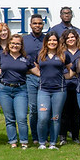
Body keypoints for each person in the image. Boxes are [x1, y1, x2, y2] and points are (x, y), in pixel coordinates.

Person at [36, 32, 72, 149]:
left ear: (58, 42)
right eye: (50, 40)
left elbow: (72, 70)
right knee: (43, 118)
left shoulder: (64, 55)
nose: (52, 42)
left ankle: (52, 143)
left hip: (59, 91)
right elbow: (36, 69)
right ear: (46, 42)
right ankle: (42, 143)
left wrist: (64, 77)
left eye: (54, 40)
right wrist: (42, 76)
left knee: (55, 118)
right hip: (44, 90)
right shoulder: (40, 54)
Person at [23, 14, 46, 144]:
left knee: (46, 108)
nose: (37, 25)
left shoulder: (47, 39)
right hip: (30, 78)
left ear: (43, 25)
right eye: (35, 23)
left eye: (40, 23)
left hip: (46, 78)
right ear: (30, 25)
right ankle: (36, 137)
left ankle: (45, 133)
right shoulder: (24, 40)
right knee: (33, 109)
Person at [59, 29, 80, 145]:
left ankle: (75, 136)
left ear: (77, 38)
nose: (71, 39)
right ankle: (62, 136)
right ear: (64, 40)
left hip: (79, 85)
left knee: (76, 113)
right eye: (68, 38)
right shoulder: (62, 53)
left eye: (72, 37)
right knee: (64, 112)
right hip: (65, 85)